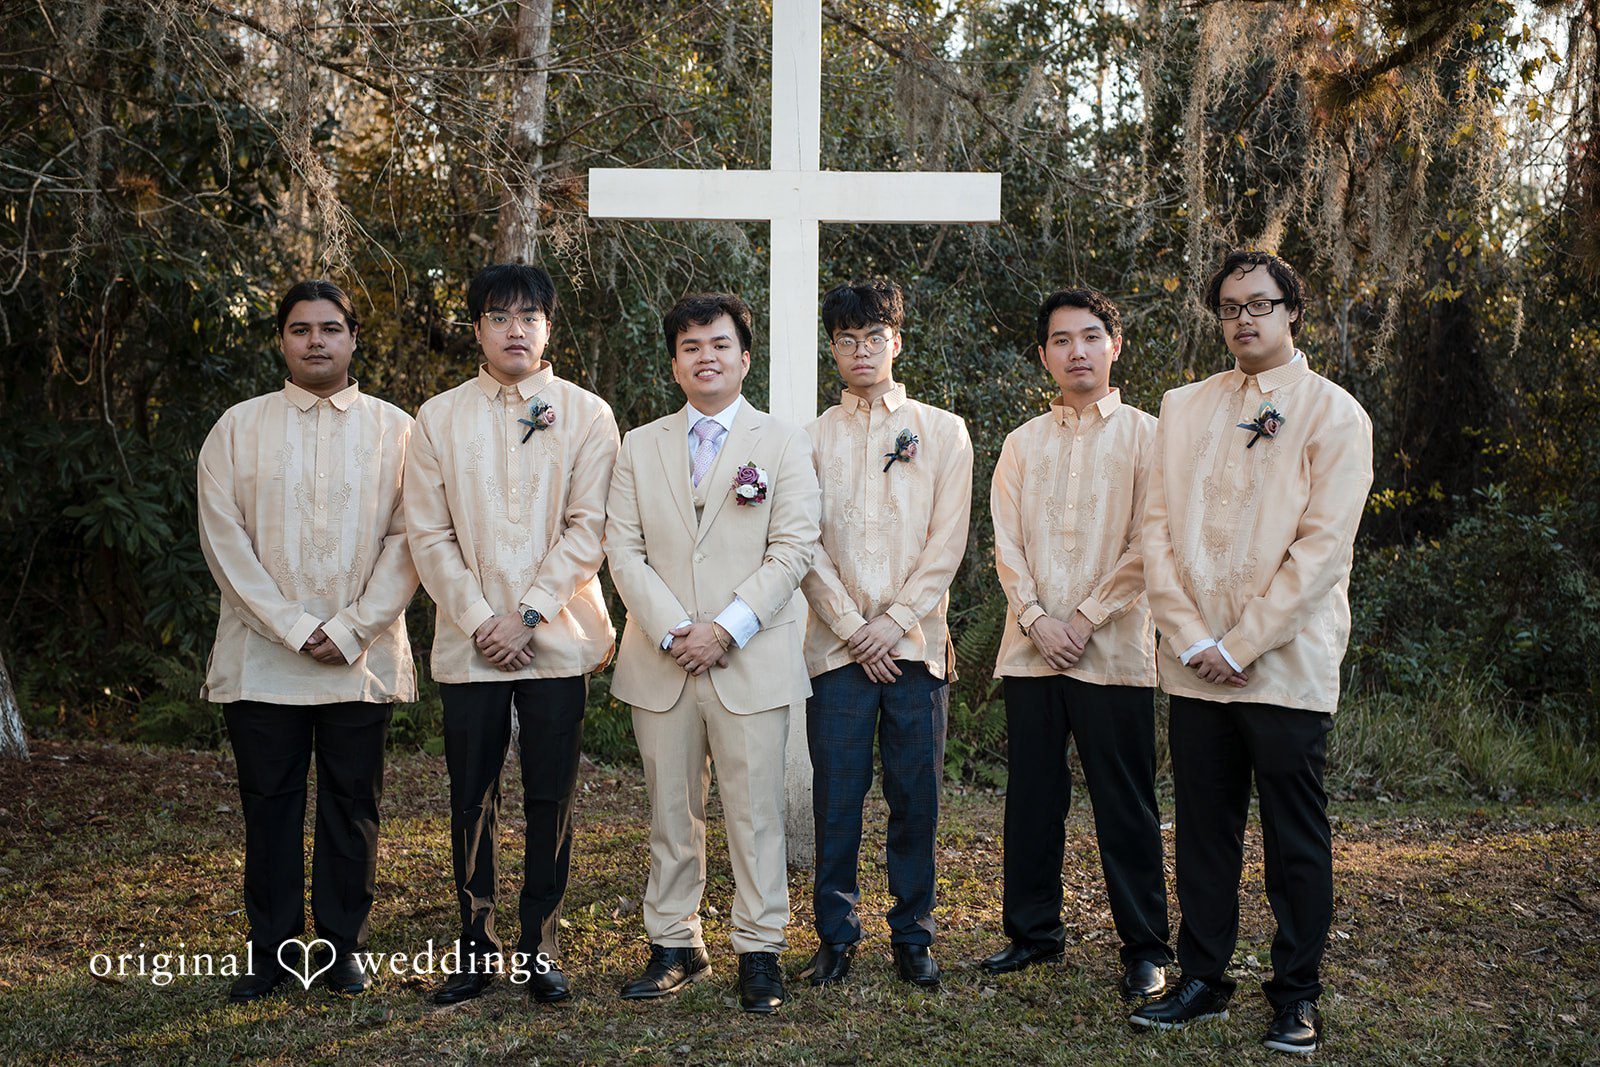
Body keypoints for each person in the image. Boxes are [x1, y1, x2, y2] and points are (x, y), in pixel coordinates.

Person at [1131, 251, 1373, 1055]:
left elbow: (1321, 551)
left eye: (1261, 304)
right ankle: (1202, 977)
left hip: (1285, 665)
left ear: (1291, 310)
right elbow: (1156, 531)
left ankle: (1296, 993)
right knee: (1204, 830)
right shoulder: (1184, 405)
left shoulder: (1333, 414)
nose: (1244, 319)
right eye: (1231, 306)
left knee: (1293, 838)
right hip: (1196, 666)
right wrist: (1194, 637)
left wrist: (1239, 643)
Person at [198, 280, 418, 1002]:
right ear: (281, 340)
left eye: (330, 328)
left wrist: (351, 627)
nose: (316, 340)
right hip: (263, 658)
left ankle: (341, 947)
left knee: (354, 802)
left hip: (361, 657)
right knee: (269, 803)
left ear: (354, 337)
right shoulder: (237, 427)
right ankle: (271, 950)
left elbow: (409, 539)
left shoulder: (399, 430)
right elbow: (224, 541)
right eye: (300, 329)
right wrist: (294, 626)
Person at [406, 263, 619, 1005]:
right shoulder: (437, 417)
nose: (515, 329)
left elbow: (589, 528)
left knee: (549, 796)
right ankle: (476, 946)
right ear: (477, 329)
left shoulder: (588, 414)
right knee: (472, 796)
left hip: (557, 638)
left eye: (529, 316)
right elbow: (427, 534)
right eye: (499, 316)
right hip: (470, 643)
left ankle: (540, 945)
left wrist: (526, 613)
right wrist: (479, 620)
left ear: (550, 327)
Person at [605, 292, 820, 1014]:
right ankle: (674, 941)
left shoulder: (784, 441)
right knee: (672, 808)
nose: (706, 356)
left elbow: (793, 548)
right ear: (674, 363)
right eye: (691, 346)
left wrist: (724, 627)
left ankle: (760, 948)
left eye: (719, 344)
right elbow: (623, 551)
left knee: (756, 811)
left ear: (744, 356)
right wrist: (674, 629)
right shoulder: (639, 445)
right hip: (661, 658)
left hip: (747, 655)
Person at [980, 288, 1172, 1000]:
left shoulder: (1151, 436)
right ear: (1044, 356)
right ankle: (1032, 933)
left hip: (1114, 649)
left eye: (1091, 337)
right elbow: (1007, 541)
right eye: (1061, 340)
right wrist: (1035, 618)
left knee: (1125, 800)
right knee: (1032, 796)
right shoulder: (1023, 443)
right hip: (1031, 649)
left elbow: (1151, 539)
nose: (1077, 351)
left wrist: (1086, 617)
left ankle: (1146, 946)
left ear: (1114, 345)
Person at [796, 279, 972, 989]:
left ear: (897, 340)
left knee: (915, 797)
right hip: (836, 651)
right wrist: (849, 626)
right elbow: (801, 542)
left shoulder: (943, 429)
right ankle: (834, 937)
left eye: (874, 336)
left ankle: (914, 934)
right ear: (832, 348)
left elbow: (948, 540)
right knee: (836, 798)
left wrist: (893, 623)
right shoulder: (808, 438)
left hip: (918, 649)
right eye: (846, 339)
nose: (860, 350)